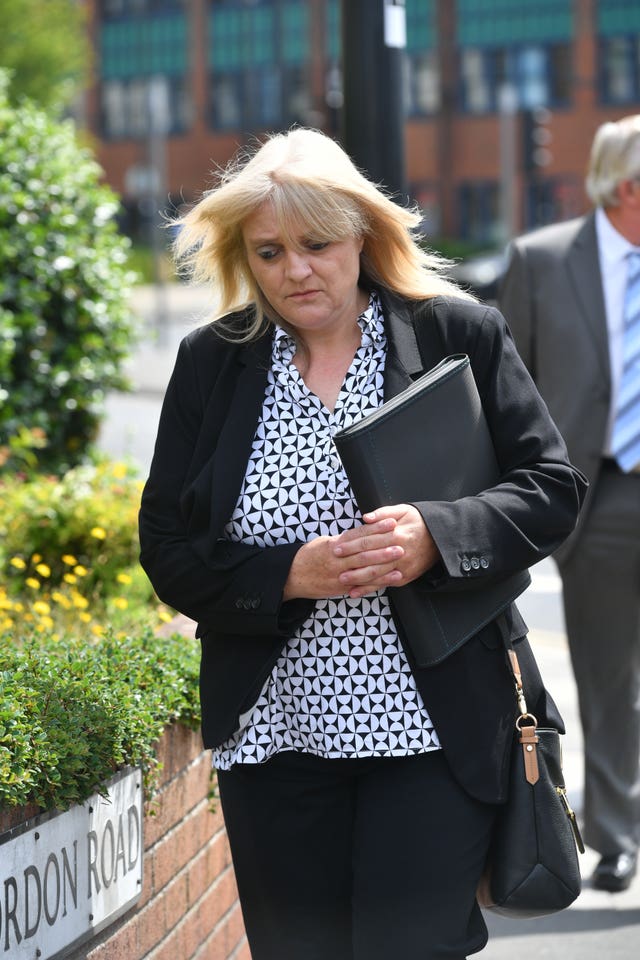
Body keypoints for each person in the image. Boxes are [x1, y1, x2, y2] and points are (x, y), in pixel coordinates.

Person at [139, 128, 586, 959]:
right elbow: (166, 547)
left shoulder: (458, 334)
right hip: (276, 736)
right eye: (270, 252)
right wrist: (285, 576)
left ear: (362, 238)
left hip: (436, 733)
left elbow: (550, 488)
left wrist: (437, 536)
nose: (295, 270)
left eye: (316, 244)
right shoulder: (213, 362)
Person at [499, 114, 640, 894]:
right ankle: (616, 836)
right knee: (608, 676)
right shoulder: (542, 261)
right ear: (627, 187)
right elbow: (503, 400)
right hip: (599, 500)